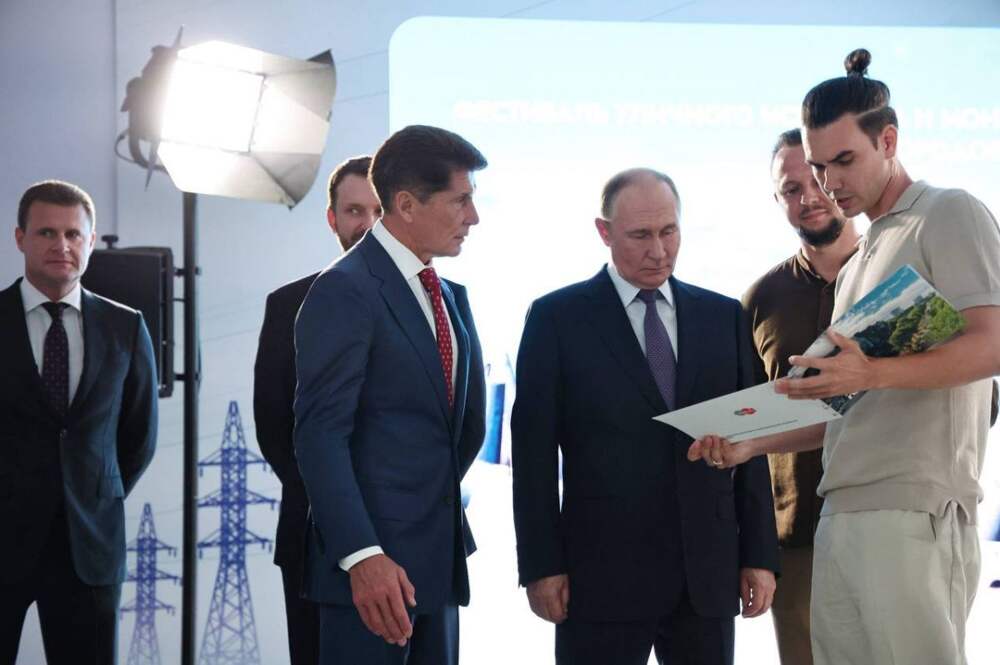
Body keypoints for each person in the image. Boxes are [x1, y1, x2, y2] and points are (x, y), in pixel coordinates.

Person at [690, 49, 1000, 665]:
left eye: (844, 161)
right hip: (843, 510)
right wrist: (749, 444)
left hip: (912, 510)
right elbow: (841, 402)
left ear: (889, 141)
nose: (829, 182)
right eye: (818, 165)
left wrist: (873, 371)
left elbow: (992, 341)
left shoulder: (947, 211)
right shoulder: (862, 259)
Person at [512, 168, 779, 665]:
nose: (659, 251)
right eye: (640, 235)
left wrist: (760, 556)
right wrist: (541, 566)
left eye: (669, 231)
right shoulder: (556, 318)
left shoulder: (724, 316)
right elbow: (533, 457)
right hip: (599, 579)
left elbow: (751, 440)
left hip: (706, 577)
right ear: (604, 231)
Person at [293, 125, 487, 665]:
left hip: (437, 567)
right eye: (461, 200)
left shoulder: (446, 294)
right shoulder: (345, 289)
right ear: (405, 204)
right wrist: (362, 556)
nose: (473, 217)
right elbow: (320, 437)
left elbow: (458, 428)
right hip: (371, 580)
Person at [0, 180, 158, 664]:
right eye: (47, 232)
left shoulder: (126, 326)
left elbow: (138, 437)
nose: (61, 245)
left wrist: (88, 489)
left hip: (89, 545)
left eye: (73, 234)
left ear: (90, 241)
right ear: (20, 238)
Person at [254, 155, 381, 665]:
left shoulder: (440, 301)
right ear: (332, 219)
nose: (367, 223)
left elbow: (459, 428)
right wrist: (338, 510)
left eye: (378, 210)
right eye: (354, 211)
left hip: (416, 536)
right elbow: (274, 429)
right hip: (313, 537)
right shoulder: (288, 304)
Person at [742, 128, 860, 665]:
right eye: (791, 189)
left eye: (816, 179)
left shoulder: (902, 280)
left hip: (890, 526)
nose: (808, 196)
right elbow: (744, 426)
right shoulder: (759, 301)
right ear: (777, 200)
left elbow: (978, 401)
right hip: (796, 543)